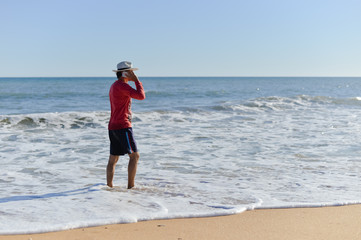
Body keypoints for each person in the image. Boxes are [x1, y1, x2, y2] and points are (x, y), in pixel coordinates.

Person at [107, 61, 145, 189]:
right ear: (124, 73)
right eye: (131, 72)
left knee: (113, 159)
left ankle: (109, 187)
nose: (133, 73)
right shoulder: (123, 86)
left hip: (113, 125)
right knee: (135, 156)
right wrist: (136, 81)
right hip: (123, 125)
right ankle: (131, 187)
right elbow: (141, 96)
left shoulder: (114, 86)